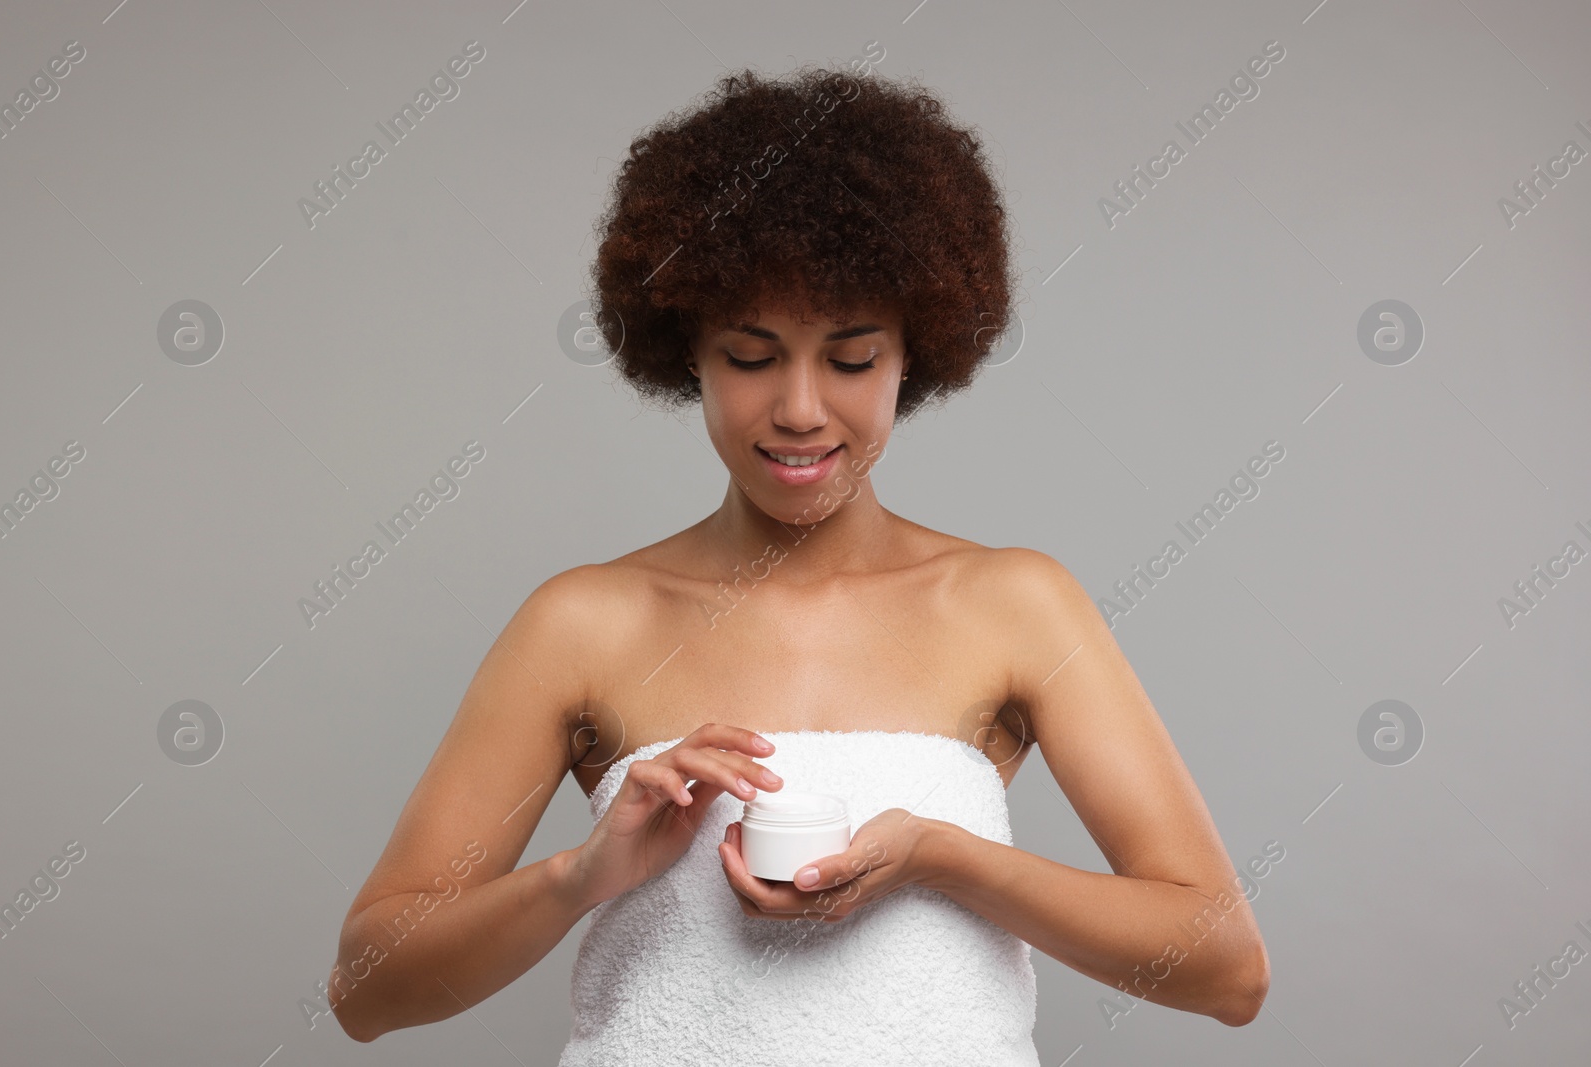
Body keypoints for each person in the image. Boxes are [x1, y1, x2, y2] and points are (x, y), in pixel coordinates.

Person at [327, 64, 1270, 1062]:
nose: (801, 408)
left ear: (917, 352)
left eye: (852, 357)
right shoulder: (584, 624)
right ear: (686, 347)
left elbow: (1226, 969)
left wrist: (941, 857)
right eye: (750, 354)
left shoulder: (1013, 606)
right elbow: (365, 990)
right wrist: (582, 874)